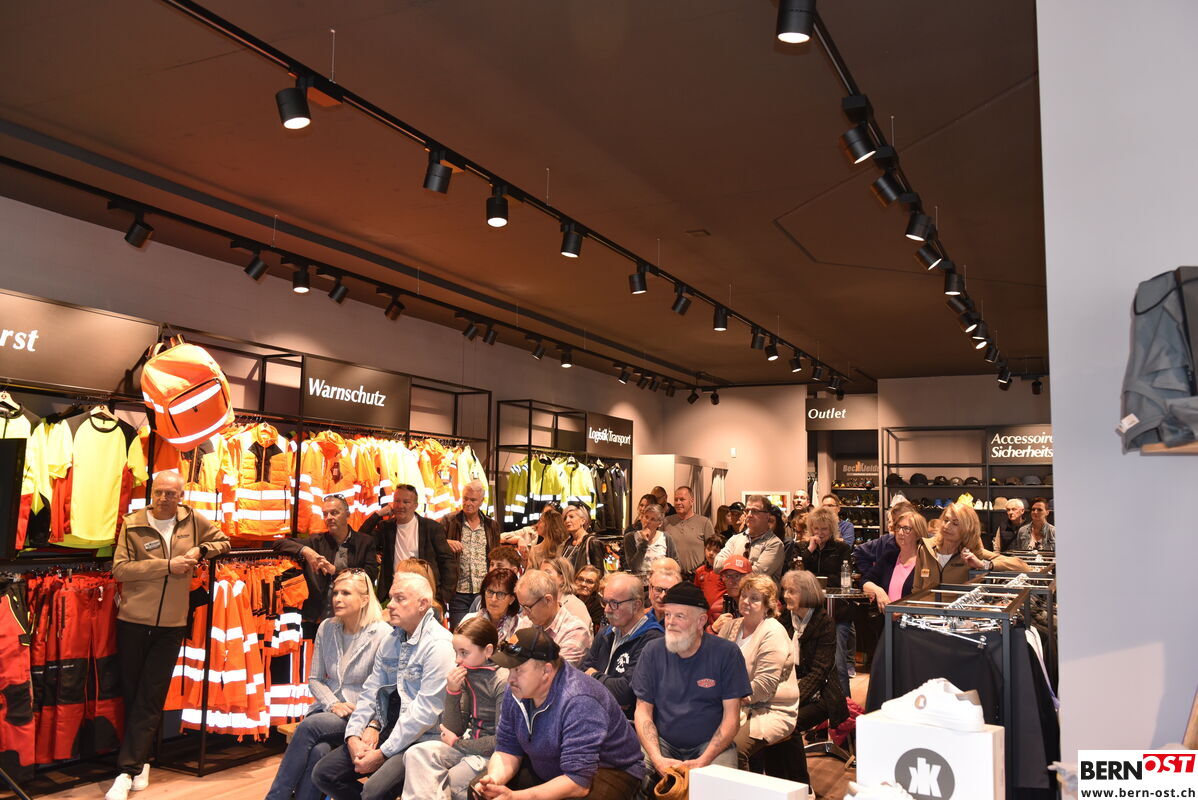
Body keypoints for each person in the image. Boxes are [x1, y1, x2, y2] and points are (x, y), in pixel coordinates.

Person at [106, 472, 230, 800]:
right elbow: (120, 569)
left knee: (150, 695)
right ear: (152, 492)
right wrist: (166, 565)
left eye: (171, 494)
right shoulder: (133, 523)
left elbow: (224, 542)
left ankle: (126, 771)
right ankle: (142, 760)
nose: (164, 498)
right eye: (159, 492)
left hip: (172, 626)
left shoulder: (192, 520)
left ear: (180, 495)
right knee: (133, 694)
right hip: (132, 621)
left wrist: (201, 549)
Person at [311, 573, 455, 800]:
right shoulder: (392, 639)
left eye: (400, 599)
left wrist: (382, 753)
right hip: (388, 729)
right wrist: (353, 736)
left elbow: (424, 714)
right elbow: (371, 691)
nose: (391, 605)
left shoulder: (439, 645)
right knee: (324, 774)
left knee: (373, 791)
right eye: (391, 598)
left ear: (422, 604)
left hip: (422, 739)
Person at [475, 628, 646, 800]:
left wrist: (514, 797)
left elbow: (578, 783)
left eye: (518, 670)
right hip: (553, 762)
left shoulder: (580, 700)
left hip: (608, 768)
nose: (510, 678)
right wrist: (494, 780)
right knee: (482, 793)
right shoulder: (516, 690)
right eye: (510, 669)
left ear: (546, 671)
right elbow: (507, 747)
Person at [266, 570, 391, 800]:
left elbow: (383, 690)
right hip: (328, 710)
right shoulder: (327, 627)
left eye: (346, 593)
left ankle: (275, 797)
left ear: (364, 599)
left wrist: (371, 721)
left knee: (308, 727)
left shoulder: (382, 634)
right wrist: (333, 703)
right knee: (319, 751)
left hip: (361, 715)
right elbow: (314, 679)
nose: (337, 599)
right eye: (335, 593)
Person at [632, 582, 752, 782]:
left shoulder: (726, 653)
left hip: (711, 744)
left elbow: (731, 719)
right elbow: (643, 711)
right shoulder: (652, 651)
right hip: (662, 742)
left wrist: (703, 760)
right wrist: (657, 759)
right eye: (668, 614)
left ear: (701, 621)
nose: (670, 622)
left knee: (723, 785)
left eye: (680, 616)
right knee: (634, 776)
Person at [401, 616, 507, 800]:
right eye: (456, 652)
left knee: (449, 780)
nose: (458, 659)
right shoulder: (466, 673)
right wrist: (452, 691)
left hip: (493, 756)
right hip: (468, 744)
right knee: (416, 754)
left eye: (464, 653)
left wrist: (457, 743)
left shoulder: (502, 680)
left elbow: (500, 741)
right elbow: (454, 728)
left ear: (488, 650)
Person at [717, 574, 799, 768]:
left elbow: (764, 686)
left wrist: (725, 698)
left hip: (768, 709)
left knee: (730, 750)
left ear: (767, 605)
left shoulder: (773, 632)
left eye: (754, 598)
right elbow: (712, 667)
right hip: (731, 705)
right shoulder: (730, 627)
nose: (746, 601)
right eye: (744, 596)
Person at [274, 496, 379, 637]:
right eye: (325, 514)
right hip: (318, 619)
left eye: (334, 513)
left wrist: (335, 571)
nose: (329, 518)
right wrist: (306, 551)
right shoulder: (316, 541)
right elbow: (279, 543)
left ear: (347, 515)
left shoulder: (364, 542)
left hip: (353, 618)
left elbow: (369, 575)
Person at [778, 570, 847, 784]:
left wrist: (792, 697)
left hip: (822, 693)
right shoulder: (784, 619)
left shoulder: (824, 623)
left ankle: (801, 786)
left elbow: (820, 672)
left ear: (807, 593)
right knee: (772, 722)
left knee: (789, 724)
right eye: (785, 590)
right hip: (789, 688)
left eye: (792, 591)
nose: (786, 595)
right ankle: (777, 782)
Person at [580, 572, 663, 718]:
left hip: (628, 723)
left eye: (614, 604)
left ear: (636, 605)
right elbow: (580, 674)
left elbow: (626, 692)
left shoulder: (653, 640)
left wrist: (593, 675)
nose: (606, 610)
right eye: (605, 602)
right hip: (596, 715)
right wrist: (609, 691)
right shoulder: (606, 633)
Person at [361, 484, 454, 606]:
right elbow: (361, 539)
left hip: (424, 595)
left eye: (406, 502)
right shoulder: (386, 528)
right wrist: (378, 515)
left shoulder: (431, 528)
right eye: (397, 501)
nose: (400, 506)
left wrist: (443, 596)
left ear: (415, 505)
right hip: (393, 595)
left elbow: (447, 562)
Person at [797, 507, 855, 694]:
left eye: (824, 529)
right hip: (811, 613)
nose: (820, 533)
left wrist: (815, 580)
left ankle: (846, 705)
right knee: (811, 664)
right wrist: (810, 550)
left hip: (838, 613)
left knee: (838, 663)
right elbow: (796, 574)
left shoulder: (842, 548)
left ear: (832, 529)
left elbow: (843, 578)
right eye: (816, 528)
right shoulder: (803, 549)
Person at [915, 502, 1028, 590]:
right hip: (925, 611)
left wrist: (984, 564)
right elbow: (917, 588)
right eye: (946, 520)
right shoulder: (925, 548)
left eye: (955, 523)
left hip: (957, 611)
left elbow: (1022, 567)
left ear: (967, 529)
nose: (947, 526)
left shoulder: (973, 552)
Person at [444, 480, 502, 627]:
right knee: (460, 631)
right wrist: (446, 542)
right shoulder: (449, 521)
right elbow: (434, 545)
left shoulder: (491, 525)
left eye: (473, 500)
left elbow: (497, 555)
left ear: (481, 501)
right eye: (465, 498)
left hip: (484, 591)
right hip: (458, 591)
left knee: (482, 631)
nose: (468, 503)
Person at [513, 570, 592, 667]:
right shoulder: (527, 622)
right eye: (522, 607)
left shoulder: (576, 632)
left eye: (528, 608)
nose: (524, 613)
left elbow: (554, 672)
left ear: (548, 600)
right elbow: (509, 654)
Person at [860, 511, 926, 609]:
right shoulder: (889, 557)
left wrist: (902, 611)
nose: (900, 532)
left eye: (906, 529)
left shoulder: (925, 562)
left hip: (911, 617)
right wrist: (878, 591)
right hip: (886, 617)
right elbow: (865, 581)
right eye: (898, 527)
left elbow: (926, 597)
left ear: (918, 534)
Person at [713, 494, 785, 580]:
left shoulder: (775, 544)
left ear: (767, 516)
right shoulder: (735, 539)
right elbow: (717, 565)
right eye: (747, 511)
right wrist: (748, 564)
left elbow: (757, 574)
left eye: (755, 511)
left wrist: (731, 564)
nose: (749, 515)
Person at [663, 486, 715, 578]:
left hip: (697, 577)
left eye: (682, 499)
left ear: (692, 501)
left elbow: (712, 550)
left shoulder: (704, 523)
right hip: (672, 576)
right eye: (676, 500)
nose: (678, 502)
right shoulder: (666, 522)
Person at [621, 503, 677, 581]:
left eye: (653, 519)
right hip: (639, 584)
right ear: (642, 517)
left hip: (660, 582)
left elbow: (674, 564)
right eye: (646, 517)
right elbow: (634, 567)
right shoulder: (630, 537)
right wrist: (644, 543)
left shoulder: (666, 537)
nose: (647, 521)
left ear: (660, 523)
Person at [462, 568, 520, 641]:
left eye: (500, 594)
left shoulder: (520, 627)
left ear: (511, 599)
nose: (493, 599)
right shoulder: (468, 620)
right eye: (490, 592)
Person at [541, 556, 592, 630]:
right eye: (540, 573)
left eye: (547, 572)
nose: (541, 577)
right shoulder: (540, 601)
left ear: (562, 577)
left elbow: (581, 635)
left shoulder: (576, 606)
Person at [692, 535, 727, 627]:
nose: (711, 553)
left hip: (721, 615)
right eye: (708, 549)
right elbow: (696, 594)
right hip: (704, 615)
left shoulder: (726, 572)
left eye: (716, 551)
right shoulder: (700, 571)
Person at [561, 504, 605, 575]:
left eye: (571, 517)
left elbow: (599, 573)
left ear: (583, 521)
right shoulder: (568, 543)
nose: (567, 520)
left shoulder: (592, 542)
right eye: (565, 518)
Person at [644, 559, 682, 625]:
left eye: (669, 591)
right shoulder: (638, 620)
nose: (662, 596)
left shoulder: (687, 624)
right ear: (650, 590)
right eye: (658, 590)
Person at [715, 554, 752, 624]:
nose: (731, 582)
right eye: (727, 576)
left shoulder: (761, 606)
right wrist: (713, 629)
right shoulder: (717, 609)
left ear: (749, 577)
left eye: (737, 576)